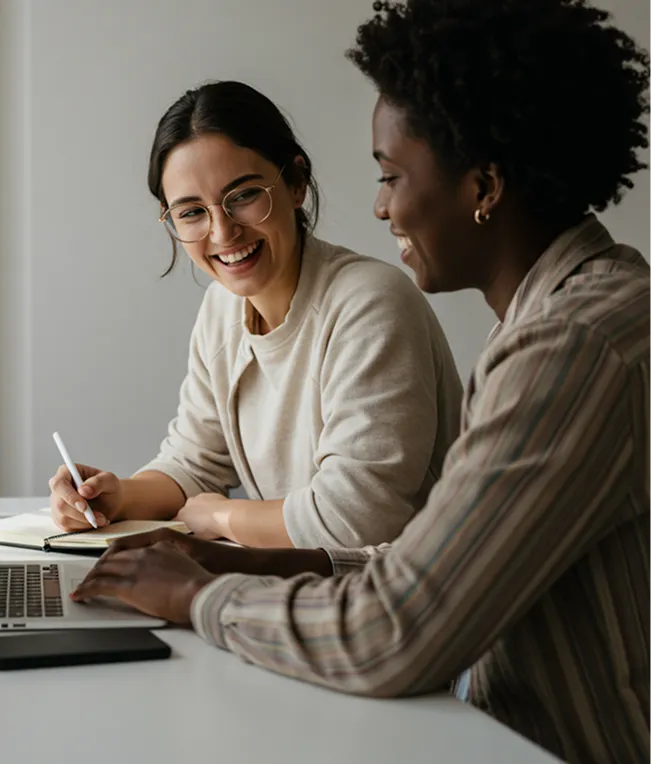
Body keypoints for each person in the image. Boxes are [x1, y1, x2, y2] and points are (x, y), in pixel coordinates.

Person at [67, 1, 651, 761]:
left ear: (483, 185)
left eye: (391, 176)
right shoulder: (571, 315)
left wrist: (196, 594)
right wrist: (248, 559)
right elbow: (418, 567)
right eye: (190, 212)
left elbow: (395, 630)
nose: (380, 206)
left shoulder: (567, 351)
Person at [49, 81, 463, 549]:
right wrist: (117, 498)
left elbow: (357, 518)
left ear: (295, 183)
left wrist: (223, 516)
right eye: (192, 213)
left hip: (401, 602)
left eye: (243, 196)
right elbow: (194, 463)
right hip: (299, 588)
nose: (222, 232)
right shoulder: (222, 309)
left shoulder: (371, 303)